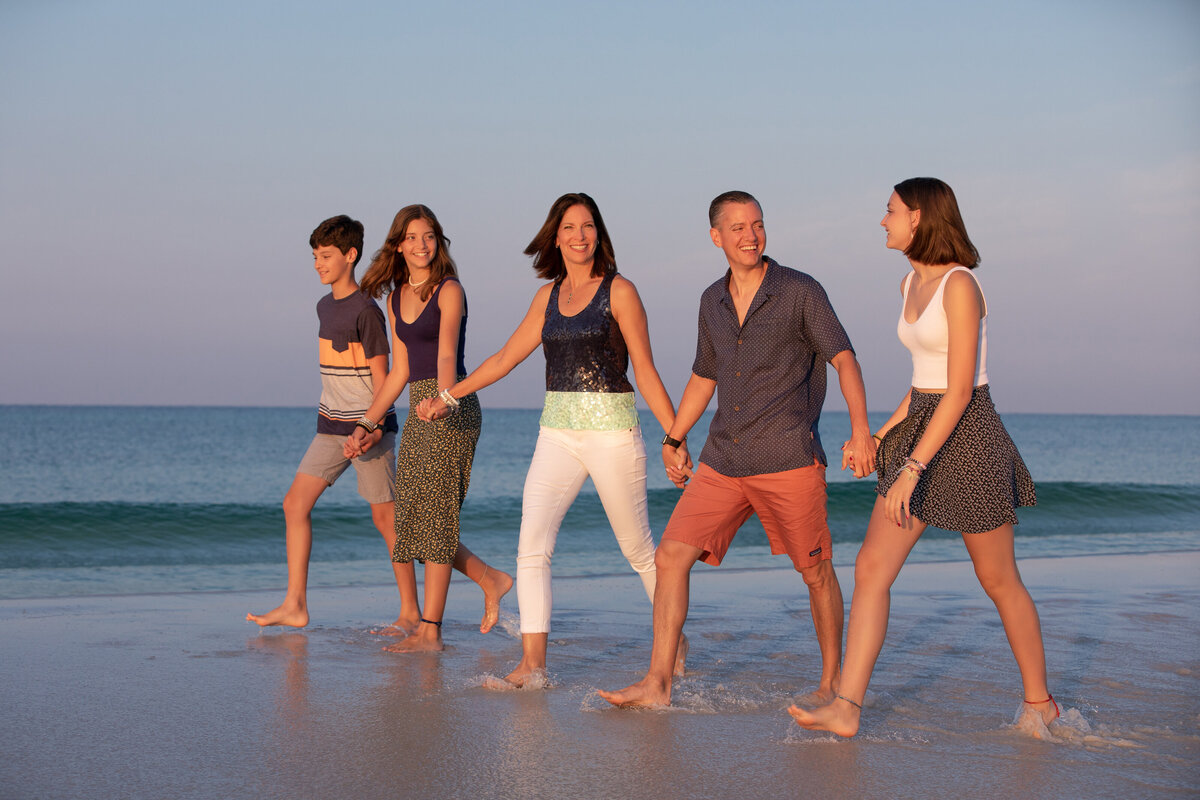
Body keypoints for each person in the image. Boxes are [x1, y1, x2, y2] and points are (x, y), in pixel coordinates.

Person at [788, 178, 1049, 737]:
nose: (882, 221)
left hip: (969, 435)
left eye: (890, 211)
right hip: (923, 427)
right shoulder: (909, 283)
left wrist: (912, 468)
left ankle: (1041, 702)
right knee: (871, 568)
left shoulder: (961, 286)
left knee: (998, 578)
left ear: (920, 218)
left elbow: (958, 391)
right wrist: (881, 435)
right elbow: (923, 381)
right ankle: (847, 707)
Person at [598, 190, 876, 708]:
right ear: (716, 237)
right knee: (671, 555)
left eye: (758, 225)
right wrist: (674, 437)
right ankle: (658, 681)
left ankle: (833, 681)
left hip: (788, 456)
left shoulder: (799, 290)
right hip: (723, 458)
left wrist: (861, 430)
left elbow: (845, 358)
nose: (751, 236)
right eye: (739, 227)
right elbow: (705, 376)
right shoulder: (712, 301)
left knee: (815, 571)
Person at [419, 192, 681, 686]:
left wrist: (676, 435)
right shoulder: (547, 297)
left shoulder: (620, 291)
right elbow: (503, 358)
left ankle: (675, 637)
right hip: (556, 431)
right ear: (555, 237)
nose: (579, 236)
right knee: (532, 545)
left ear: (597, 234)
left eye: (587, 227)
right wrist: (448, 397)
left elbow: (644, 370)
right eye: (569, 228)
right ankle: (532, 664)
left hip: (612, 431)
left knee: (638, 550)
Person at [347, 205, 513, 652]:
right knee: (414, 523)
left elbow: (445, 356)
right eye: (413, 237)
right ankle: (490, 578)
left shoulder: (450, 290)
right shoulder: (395, 296)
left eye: (430, 236)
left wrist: (444, 398)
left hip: (452, 405)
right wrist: (367, 423)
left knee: (435, 519)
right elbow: (399, 372)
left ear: (438, 241)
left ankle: (430, 631)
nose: (422, 244)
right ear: (399, 244)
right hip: (420, 406)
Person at [247, 215, 406, 628]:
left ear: (350, 256)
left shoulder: (367, 311)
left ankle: (411, 614)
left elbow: (383, 380)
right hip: (330, 426)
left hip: (368, 429)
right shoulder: (323, 306)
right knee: (294, 504)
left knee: (385, 519)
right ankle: (295, 604)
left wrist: (372, 428)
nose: (318, 264)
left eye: (326, 256)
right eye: (315, 256)